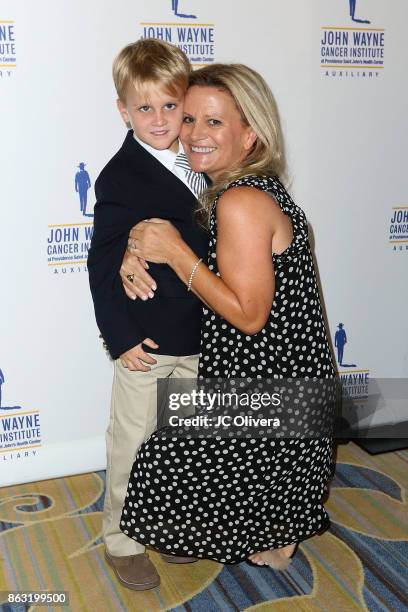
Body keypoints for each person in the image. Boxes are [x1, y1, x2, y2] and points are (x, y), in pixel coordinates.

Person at [119, 63, 336, 569]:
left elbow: (250, 316)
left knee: (158, 475)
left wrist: (172, 252)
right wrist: (134, 248)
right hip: (296, 394)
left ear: (251, 134)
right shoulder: (247, 189)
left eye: (214, 123)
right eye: (189, 118)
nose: (193, 134)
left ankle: (279, 522)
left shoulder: (239, 201)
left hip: (275, 398)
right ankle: (280, 520)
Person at [87, 39, 208, 591]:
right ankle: (122, 540)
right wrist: (121, 336)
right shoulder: (120, 175)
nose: (159, 120)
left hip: (200, 332)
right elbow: (102, 259)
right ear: (123, 110)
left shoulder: (206, 161)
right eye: (145, 108)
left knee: (183, 443)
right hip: (148, 340)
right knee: (133, 443)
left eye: (170, 106)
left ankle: (173, 527)